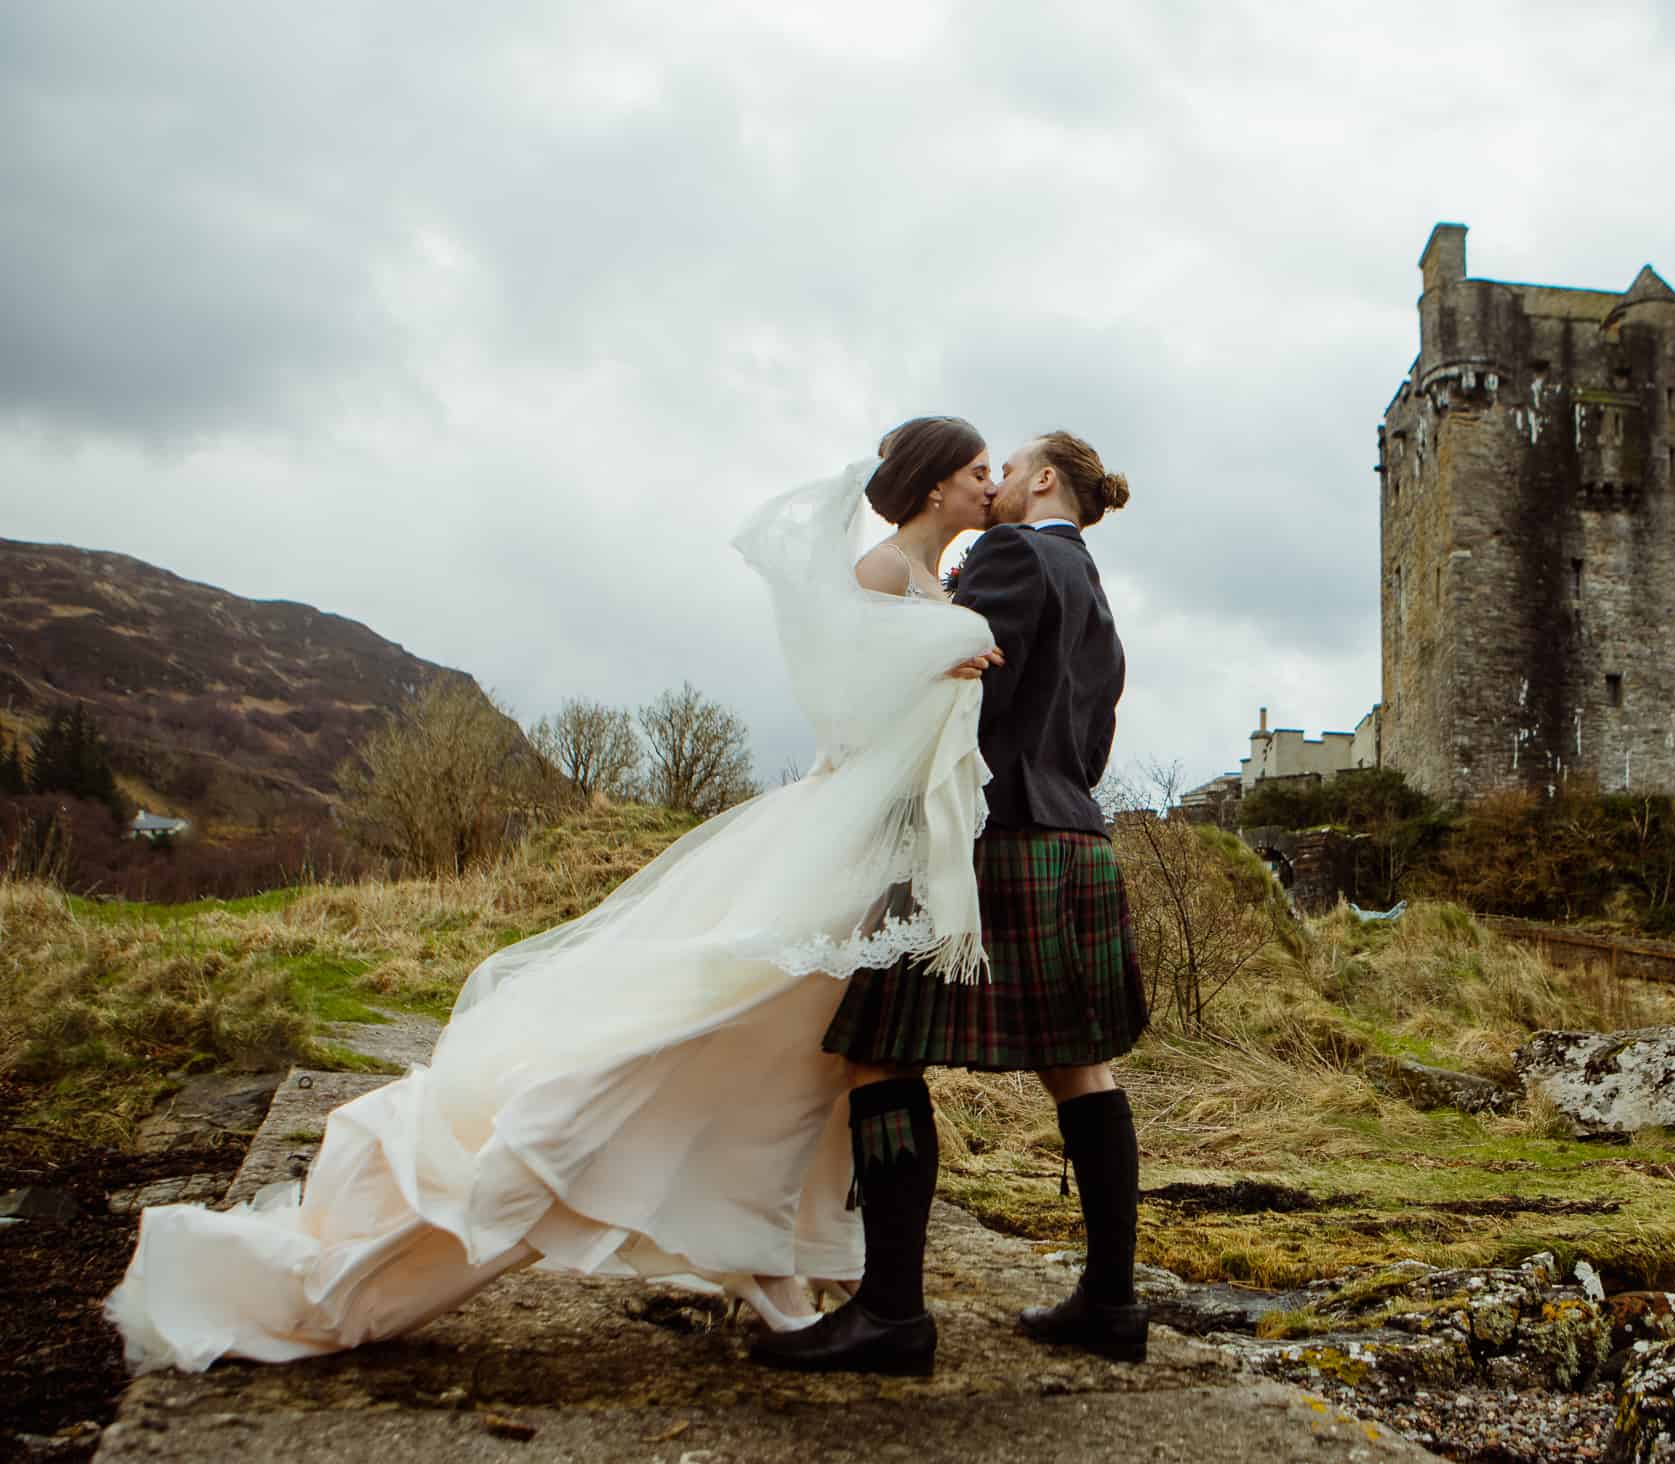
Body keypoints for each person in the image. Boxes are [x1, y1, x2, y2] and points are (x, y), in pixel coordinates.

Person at [103, 419, 1005, 1373]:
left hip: (874, 857)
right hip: (830, 849)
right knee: (712, 1039)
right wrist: (928, 662)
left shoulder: (939, 582)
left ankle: (767, 1263)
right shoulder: (878, 573)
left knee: (795, 1069)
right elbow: (842, 711)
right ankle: (570, 1211)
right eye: (979, 471)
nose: (992, 486)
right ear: (937, 486)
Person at [750, 431, 1146, 1380]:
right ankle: (1114, 1302)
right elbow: (1090, 739)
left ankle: (891, 1313)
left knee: (878, 1052)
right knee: (1080, 1067)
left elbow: (950, 686)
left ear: (1044, 478)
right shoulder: (1094, 589)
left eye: (1008, 467)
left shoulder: (1014, 554)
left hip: (995, 836)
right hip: (1076, 838)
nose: (997, 481)